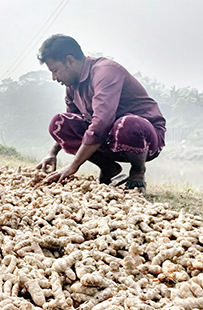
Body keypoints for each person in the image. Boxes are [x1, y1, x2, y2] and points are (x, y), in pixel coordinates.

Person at [35, 34, 166, 193]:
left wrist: (73, 166)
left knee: (127, 124)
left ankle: (137, 172)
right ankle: (109, 168)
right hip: (109, 138)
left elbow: (102, 123)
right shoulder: (72, 87)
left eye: (55, 71)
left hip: (144, 137)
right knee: (59, 123)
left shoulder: (105, 72)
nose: (54, 78)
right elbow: (74, 123)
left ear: (69, 61)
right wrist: (52, 152)